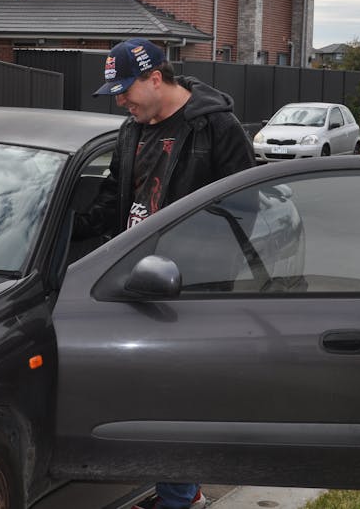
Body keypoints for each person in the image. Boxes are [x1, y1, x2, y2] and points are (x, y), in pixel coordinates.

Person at [78, 37, 255, 508]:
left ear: (156, 78)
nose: (120, 99)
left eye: (125, 89)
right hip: (134, 278)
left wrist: (194, 261)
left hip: (190, 286)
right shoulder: (131, 130)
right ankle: (183, 488)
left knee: (174, 399)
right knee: (146, 394)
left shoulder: (216, 128)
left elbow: (244, 206)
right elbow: (114, 197)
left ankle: (177, 498)